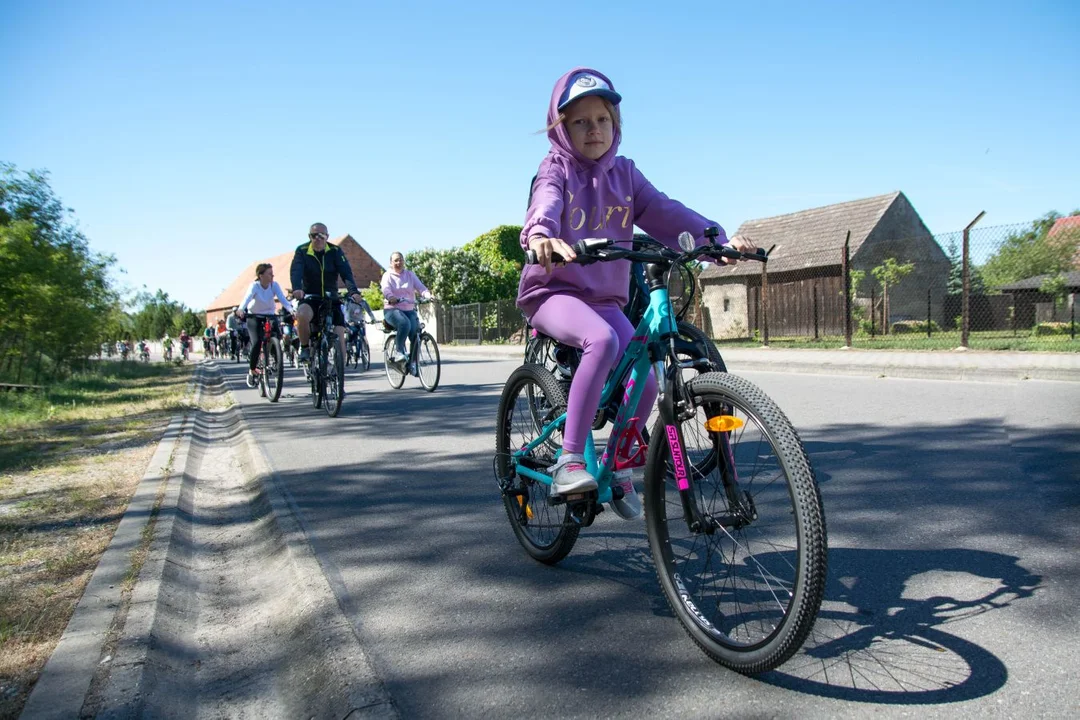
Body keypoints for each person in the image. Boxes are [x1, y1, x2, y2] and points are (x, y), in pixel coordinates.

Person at [517, 68, 757, 519]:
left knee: (645, 377)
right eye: (580, 122)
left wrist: (715, 240)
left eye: (603, 120)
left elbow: (666, 212)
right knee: (603, 342)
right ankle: (570, 459)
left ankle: (620, 462)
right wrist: (542, 237)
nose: (594, 130)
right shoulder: (556, 168)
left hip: (605, 300)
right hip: (553, 292)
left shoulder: (626, 175)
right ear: (561, 129)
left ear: (617, 125)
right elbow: (545, 203)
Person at [289, 222, 363, 364]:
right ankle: (304, 348)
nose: (318, 238)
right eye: (314, 235)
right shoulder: (302, 251)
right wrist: (297, 288)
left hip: (331, 298)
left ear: (327, 236)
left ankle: (339, 377)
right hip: (310, 297)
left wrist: (353, 292)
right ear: (309, 237)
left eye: (322, 235)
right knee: (302, 314)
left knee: (340, 334)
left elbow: (346, 272)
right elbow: (296, 271)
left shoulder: (335, 251)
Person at [235, 262, 295, 385]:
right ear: (261, 275)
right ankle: (252, 370)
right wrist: (241, 309)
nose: (272, 276)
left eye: (272, 274)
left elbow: (283, 299)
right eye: (269, 274)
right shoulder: (255, 286)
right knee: (256, 342)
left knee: (276, 335)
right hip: (254, 316)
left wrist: (291, 310)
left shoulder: (274, 285)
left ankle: (274, 356)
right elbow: (246, 299)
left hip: (270, 314)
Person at [380, 251, 435, 376]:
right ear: (391, 263)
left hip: (409, 309)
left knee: (415, 332)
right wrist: (391, 297)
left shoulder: (410, 275)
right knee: (404, 324)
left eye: (400, 260)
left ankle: (413, 363)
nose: (398, 262)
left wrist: (428, 295)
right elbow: (385, 289)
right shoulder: (387, 276)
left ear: (404, 261)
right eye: (396, 260)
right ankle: (399, 351)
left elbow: (420, 287)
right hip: (392, 309)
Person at [342, 293, 377, 361]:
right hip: (351, 322)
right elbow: (346, 313)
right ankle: (349, 346)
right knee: (352, 333)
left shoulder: (363, 302)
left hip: (360, 321)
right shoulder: (349, 303)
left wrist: (373, 319)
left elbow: (369, 311)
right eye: (357, 297)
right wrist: (349, 321)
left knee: (362, 334)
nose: (359, 299)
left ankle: (363, 346)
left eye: (360, 297)